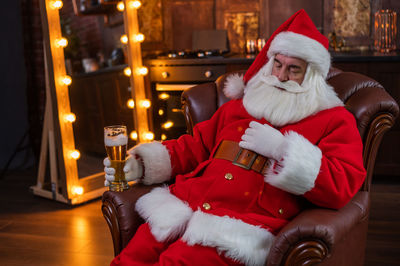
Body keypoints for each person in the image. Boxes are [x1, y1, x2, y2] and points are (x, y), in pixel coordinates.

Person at [104, 9, 366, 266]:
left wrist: (283, 150)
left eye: (294, 69)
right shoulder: (238, 107)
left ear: (311, 76)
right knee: (131, 258)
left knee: (178, 261)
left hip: (238, 228)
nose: (281, 77)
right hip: (185, 204)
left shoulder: (334, 120)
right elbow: (195, 147)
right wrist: (141, 164)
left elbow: (341, 186)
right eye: (277, 64)